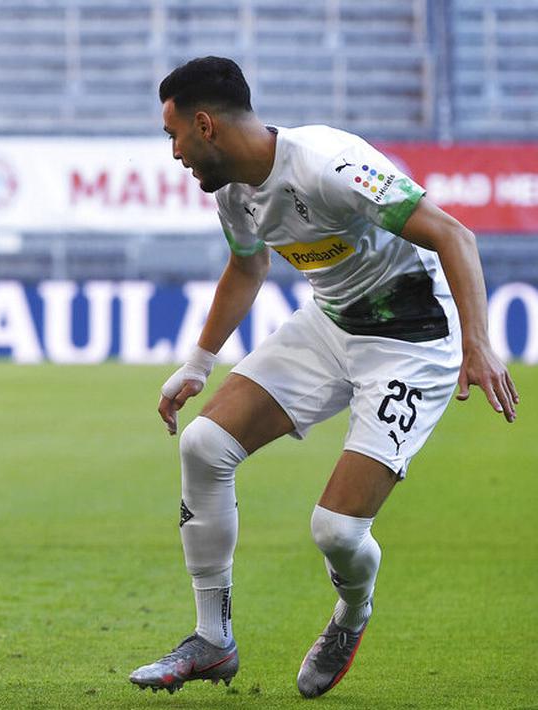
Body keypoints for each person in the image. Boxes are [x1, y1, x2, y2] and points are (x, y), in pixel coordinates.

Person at [128, 57, 518, 698]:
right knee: (203, 445)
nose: (174, 153)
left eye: (174, 136)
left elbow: (455, 236)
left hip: (412, 344)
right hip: (332, 327)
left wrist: (479, 343)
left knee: (336, 531)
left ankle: (352, 614)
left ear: (205, 125)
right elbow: (247, 269)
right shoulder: (234, 193)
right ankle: (212, 640)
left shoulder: (330, 164)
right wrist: (198, 364)